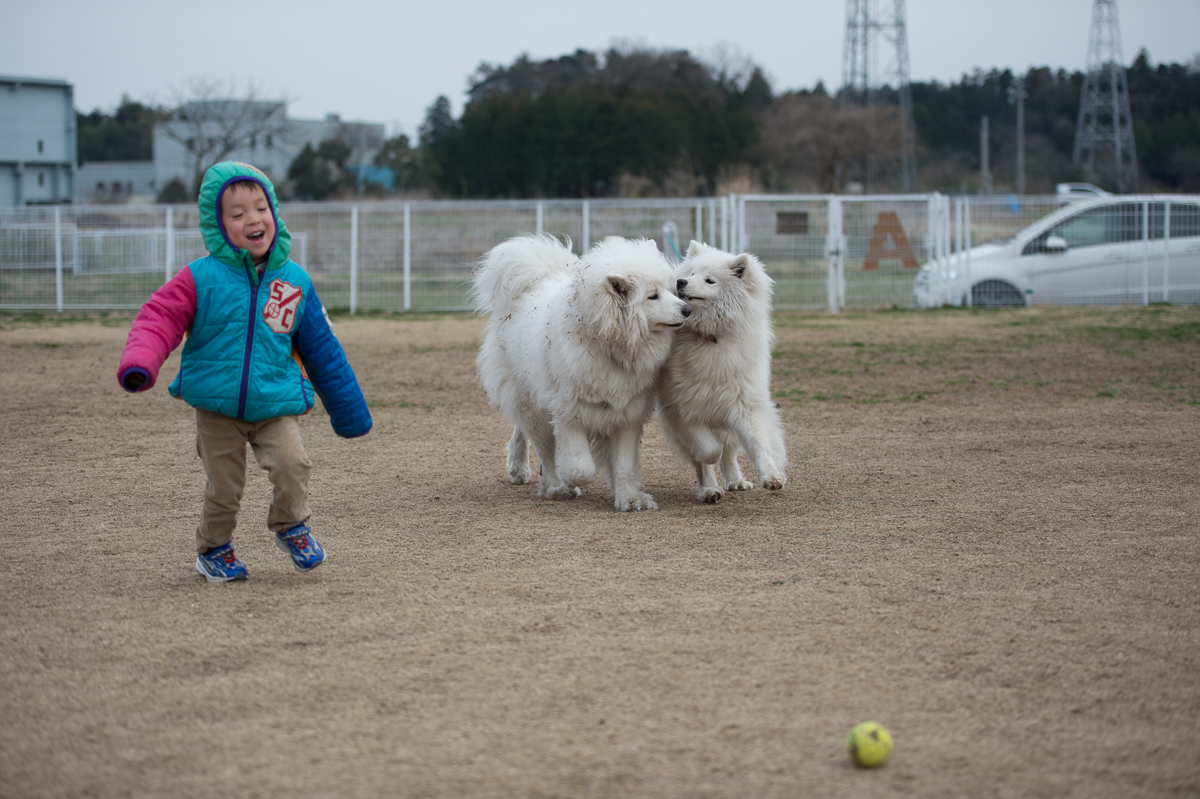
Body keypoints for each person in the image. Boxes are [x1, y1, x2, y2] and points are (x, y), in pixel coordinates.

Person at [117, 161, 372, 582]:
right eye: (237, 214)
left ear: (274, 213)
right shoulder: (199, 278)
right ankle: (213, 550)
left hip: (274, 404)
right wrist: (141, 362)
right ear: (217, 224)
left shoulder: (295, 283)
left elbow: (324, 350)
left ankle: (291, 525)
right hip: (216, 410)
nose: (252, 219)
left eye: (261, 208)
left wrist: (351, 412)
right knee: (225, 490)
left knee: (294, 464)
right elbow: (158, 318)